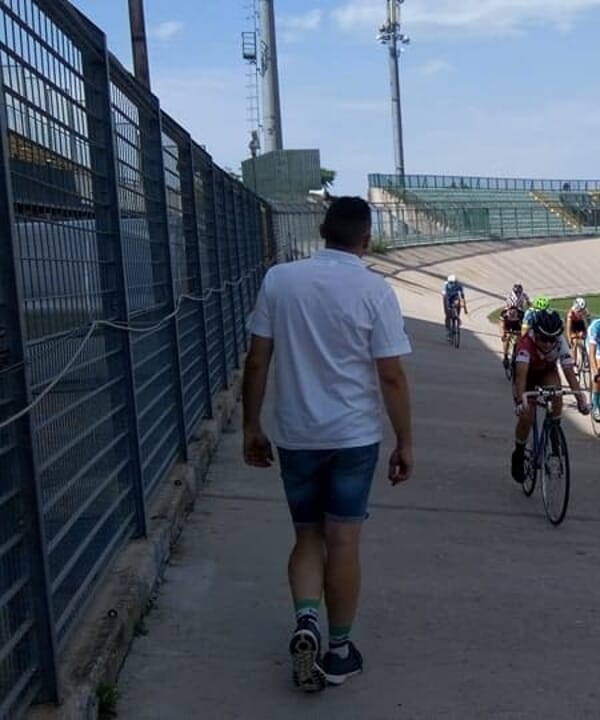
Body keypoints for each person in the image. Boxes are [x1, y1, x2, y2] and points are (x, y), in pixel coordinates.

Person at [241, 196, 413, 692]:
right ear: (366, 240)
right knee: (344, 540)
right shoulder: (375, 290)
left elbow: (257, 359)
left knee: (307, 536)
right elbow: (391, 375)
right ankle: (338, 650)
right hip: (354, 437)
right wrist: (405, 441)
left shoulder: (280, 280)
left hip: (297, 435)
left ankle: (306, 621)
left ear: (322, 231)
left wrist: (251, 426)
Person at [510, 310, 590, 483]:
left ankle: (554, 428)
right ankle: (519, 451)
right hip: (526, 375)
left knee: (557, 392)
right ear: (535, 334)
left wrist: (580, 399)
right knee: (526, 415)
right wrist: (520, 401)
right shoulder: (525, 344)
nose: (547, 344)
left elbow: (569, 372)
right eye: (543, 339)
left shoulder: (560, 342)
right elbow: (521, 378)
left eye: (552, 340)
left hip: (546, 370)